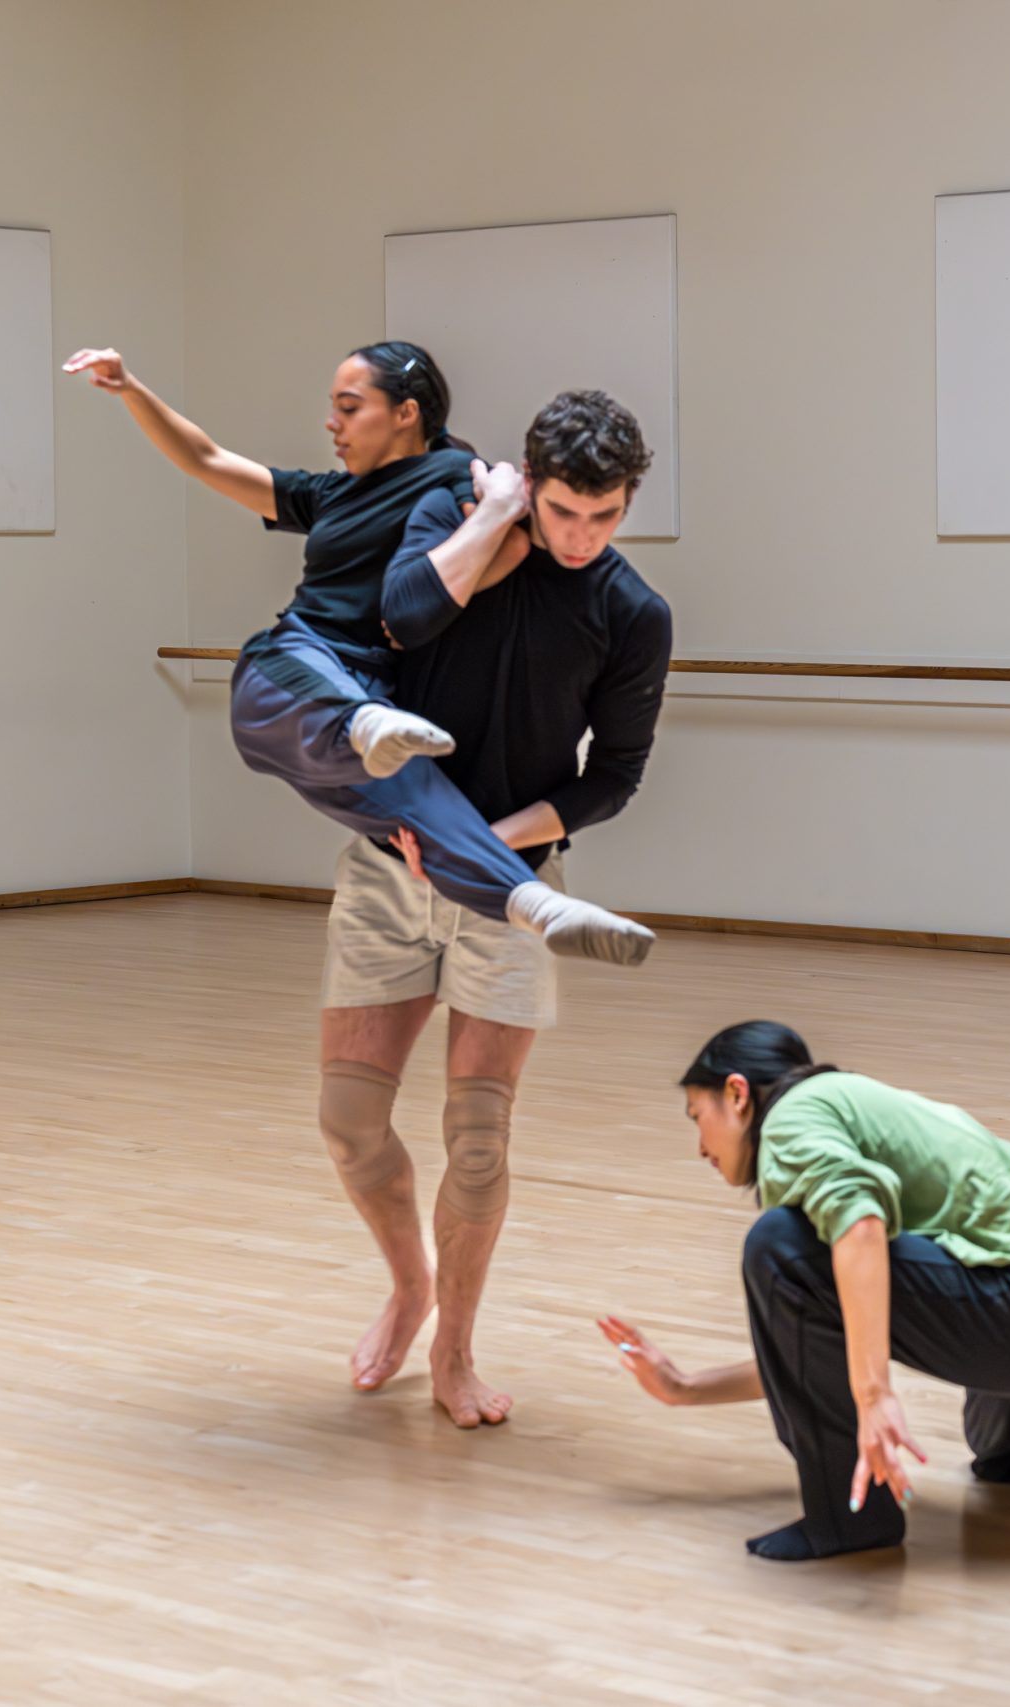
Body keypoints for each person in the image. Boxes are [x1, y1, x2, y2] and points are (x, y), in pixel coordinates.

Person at [310, 390, 675, 1426]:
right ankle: (409, 1286)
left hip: (512, 888)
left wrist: (484, 841)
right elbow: (400, 619)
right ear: (529, 486)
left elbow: (615, 778)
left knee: (477, 1138)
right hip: (387, 865)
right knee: (347, 1124)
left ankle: (456, 1355)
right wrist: (486, 524)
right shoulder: (451, 530)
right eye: (563, 512)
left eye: (605, 518)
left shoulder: (631, 612)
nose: (581, 537)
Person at [60, 342, 651, 965]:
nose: (331, 423)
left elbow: (507, 551)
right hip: (309, 666)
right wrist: (130, 388)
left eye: (348, 406)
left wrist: (446, 584)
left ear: (406, 413)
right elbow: (205, 458)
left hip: (367, 687)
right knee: (376, 755)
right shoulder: (330, 495)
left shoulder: (455, 476)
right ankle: (371, 734)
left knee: (424, 805)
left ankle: (539, 906)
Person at [593, 1022, 1010, 1561]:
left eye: (696, 1114)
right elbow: (819, 1339)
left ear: (738, 1094)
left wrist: (874, 1397)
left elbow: (861, 1227)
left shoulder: (791, 1117)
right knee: (998, 1444)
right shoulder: (846, 1102)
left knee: (779, 1246)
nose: (699, 1144)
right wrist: (684, 1387)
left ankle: (849, 1517)